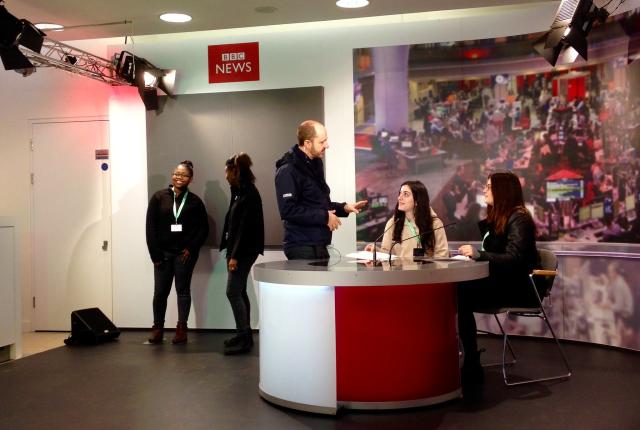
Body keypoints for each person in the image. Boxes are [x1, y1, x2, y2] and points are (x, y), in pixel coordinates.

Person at [456, 171, 539, 388]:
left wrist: (479, 255)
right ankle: (468, 355)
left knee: (461, 293)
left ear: (502, 191)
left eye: (489, 186)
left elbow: (516, 259)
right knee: (457, 291)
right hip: (501, 283)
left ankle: (471, 359)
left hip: (518, 288)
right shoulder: (499, 219)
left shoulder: (519, 218)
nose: (484, 189)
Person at [275, 120, 367, 259]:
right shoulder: (288, 170)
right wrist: (325, 217)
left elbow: (318, 204)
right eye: (322, 142)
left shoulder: (315, 164)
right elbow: (288, 210)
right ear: (307, 143)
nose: (327, 145)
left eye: (326, 141)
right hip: (302, 246)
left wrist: (345, 208)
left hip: (319, 244)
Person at [145, 160, 209, 344]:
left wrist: (191, 248)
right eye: (176, 174)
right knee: (160, 293)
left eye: (184, 175)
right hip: (163, 255)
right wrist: (155, 255)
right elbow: (150, 228)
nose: (179, 177)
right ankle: (158, 328)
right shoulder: (159, 197)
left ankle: (181, 329)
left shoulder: (195, 202)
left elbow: (203, 229)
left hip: (184, 255)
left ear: (191, 179)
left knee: (183, 291)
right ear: (172, 175)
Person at [220, 153, 264, 355]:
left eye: (227, 170)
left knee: (232, 291)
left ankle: (245, 338)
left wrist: (234, 256)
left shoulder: (248, 193)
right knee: (239, 290)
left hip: (244, 251)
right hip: (240, 249)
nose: (225, 175)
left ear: (234, 171)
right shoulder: (239, 191)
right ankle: (243, 334)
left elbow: (244, 228)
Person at [365, 181, 449, 259]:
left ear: (417, 201)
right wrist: (375, 251)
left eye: (405, 194)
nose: (399, 198)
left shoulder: (435, 224)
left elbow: (442, 255)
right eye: (400, 193)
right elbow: (386, 254)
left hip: (427, 274)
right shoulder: (393, 223)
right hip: (400, 274)